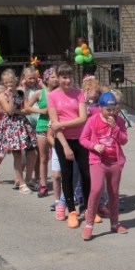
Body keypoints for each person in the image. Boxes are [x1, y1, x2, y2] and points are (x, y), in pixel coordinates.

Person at [79, 91, 128, 240]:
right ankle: (89, 224)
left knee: (114, 192)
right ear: (100, 107)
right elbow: (83, 139)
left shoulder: (119, 121)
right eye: (108, 110)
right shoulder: (93, 121)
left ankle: (114, 223)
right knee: (96, 189)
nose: (112, 113)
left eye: (114, 110)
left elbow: (124, 140)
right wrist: (94, 146)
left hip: (115, 161)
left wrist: (115, 128)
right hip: (98, 161)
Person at [47, 64, 91, 229]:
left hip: (81, 139)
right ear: (57, 78)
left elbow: (82, 118)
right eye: (64, 77)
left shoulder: (78, 93)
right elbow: (55, 126)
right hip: (63, 140)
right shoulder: (53, 96)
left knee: (87, 174)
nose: (67, 80)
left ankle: (87, 208)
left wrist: (62, 124)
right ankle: (71, 211)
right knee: (67, 175)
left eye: (69, 77)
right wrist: (65, 147)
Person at [0, 69, 38, 194]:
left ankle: (27, 179)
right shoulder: (2, 95)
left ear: (15, 80)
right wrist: (10, 97)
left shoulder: (21, 93)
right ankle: (21, 183)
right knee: (17, 154)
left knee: (32, 152)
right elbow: (9, 111)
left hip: (23, 124)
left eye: (11, 82)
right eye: (6, 83)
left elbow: (27, 109)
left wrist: (20, 111)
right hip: (11, 125)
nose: (9, 84)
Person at [26, 67, 59, 197]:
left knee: (60, 157)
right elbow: (27, 107)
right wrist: (41, 111)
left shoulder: (61, 93)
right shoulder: (40, 93)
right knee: (43, 158)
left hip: (57, 128)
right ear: (46, 79)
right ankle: (43, 185)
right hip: (43, 127)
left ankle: (61, 183)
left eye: (57, 77)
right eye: (52, 77)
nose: (55, 79)